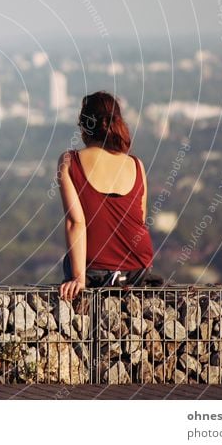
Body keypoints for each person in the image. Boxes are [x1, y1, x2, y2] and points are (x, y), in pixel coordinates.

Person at [56, 91, 164, 300]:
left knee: (70, 261)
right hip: (138, 270)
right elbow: (140, 220)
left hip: (96, 271)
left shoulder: (69, 161)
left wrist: (79, 278)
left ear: (84, 127)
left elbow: (75, 222)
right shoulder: (136, 164)